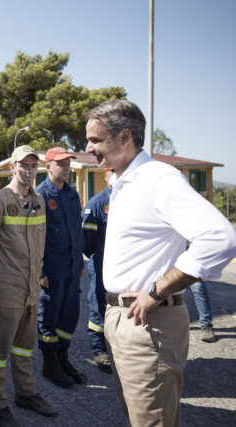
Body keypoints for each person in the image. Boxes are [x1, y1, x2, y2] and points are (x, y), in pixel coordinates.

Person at [85, 99, 236, 426]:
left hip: (148, 324)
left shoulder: (157, 179)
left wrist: (156, 291)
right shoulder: (125, 181)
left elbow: (221, 238)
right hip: (124, 319)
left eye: (96, 140)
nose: (89, 148)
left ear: (125, 138)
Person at [0, 145, 58, 426]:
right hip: (8, 290)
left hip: (31, 290)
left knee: (24, 348)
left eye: (34, 166)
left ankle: (26, 394)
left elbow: (41, 244)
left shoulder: (39, 202)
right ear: (12, 167)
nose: (29, 170)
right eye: (24, 165)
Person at [35, 147, 87, 389]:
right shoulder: (40, 196)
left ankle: (63, 359)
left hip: (72, 270)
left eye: (68, 164)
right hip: (51, 271)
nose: (66, 168)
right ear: (48, 167)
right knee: (49, 316)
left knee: (69, 316)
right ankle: (50, 364)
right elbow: (35, 237)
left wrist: (79, 263)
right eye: (61, 164)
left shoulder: (72, 194)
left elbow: (76, 231)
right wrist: (40, 270)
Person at [81, 168, 114, 373]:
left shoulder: (132, 199)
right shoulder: (96, 204)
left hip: (125, 269)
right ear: (105, 175)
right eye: (113, 172)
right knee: (98, 306)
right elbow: (87, 244)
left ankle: (118, 349)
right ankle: (99, 350)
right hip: (101, 266)